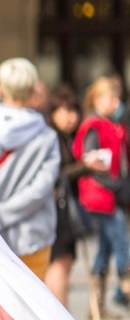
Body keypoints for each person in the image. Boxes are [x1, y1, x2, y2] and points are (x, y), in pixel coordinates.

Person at [0, 58, 60, 281]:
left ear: (0, 89)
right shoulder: (46, 136)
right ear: (32, 89)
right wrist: (5, 215)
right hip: (32, 236)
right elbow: (41, 188)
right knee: (29, 310)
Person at [74, 75, 130, 316]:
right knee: (121, 242)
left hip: (111, 193)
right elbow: (92, 163)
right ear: (97, 99)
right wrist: (116, 185)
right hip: (100, 194)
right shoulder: (93, 126)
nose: (115, 102)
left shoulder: (112, 124)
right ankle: (125, 288)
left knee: (106, 248)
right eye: (111, 97)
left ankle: (97, 306)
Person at [45, 86, 91, 306]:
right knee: (60, 265)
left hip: (60, 207)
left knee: (63, 264)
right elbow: (56, 173)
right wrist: (85, 167)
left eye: (74, 111)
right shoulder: (51, 138)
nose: (72, 117)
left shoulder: (64, 137)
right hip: (57, 208)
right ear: (53, 113)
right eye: (65, 111)